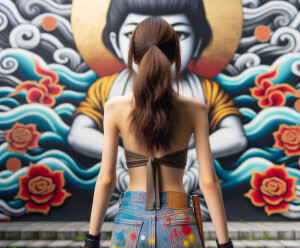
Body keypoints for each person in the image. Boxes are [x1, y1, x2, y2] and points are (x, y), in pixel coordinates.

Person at [78, 16, 239, 248]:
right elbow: (209, 181)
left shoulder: (115, 107)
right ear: (175, 55)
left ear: (133, 55)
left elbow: (105, 179)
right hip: (180, 224)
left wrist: (91, 245)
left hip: (129, 224)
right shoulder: (195, 108)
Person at [67, 0, 247, 222]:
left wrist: (90, 243)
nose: (155, 49)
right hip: (178, 211)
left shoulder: (205, 91)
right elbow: (78, 133)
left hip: (131, 217)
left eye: (180, 33)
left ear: (199, 42)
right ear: (115, 43)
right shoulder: (107, 89)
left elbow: (235, 135)